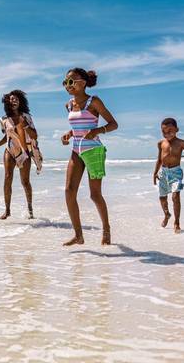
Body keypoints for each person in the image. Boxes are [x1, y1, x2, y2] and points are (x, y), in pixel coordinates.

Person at [60, 69, 118, 246]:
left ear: (83, 82)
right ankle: (79, 235)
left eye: (71, 81)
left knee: (95, 195)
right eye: (65, 82)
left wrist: (97, 131)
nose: (68, 86)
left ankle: (106, 229)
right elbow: (78, 125)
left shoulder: (94, 101)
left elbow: (113, 124)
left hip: (93, 151)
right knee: (69, 192)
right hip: (76, 151)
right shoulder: (68, 105)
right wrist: (69, 134)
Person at [0, 90, 42, 219]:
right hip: (10, 150)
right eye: (11, 99)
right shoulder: (3, 119)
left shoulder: (27, 116)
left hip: (24, 151)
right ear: (7, 102)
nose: (14, 100)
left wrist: (25, 125)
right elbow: (7, 137)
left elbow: (35, 135)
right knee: (7, 177)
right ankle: (7, 210)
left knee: (25, 182)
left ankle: (30, 208)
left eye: (16, 99)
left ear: (20, 101)